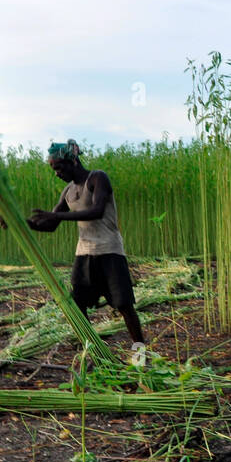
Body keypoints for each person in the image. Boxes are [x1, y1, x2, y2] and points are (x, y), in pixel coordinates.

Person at [27, 140, 145, 345]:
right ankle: (94, 348)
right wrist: (22, 223)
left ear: (73, 161)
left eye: (59, 167)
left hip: (110, 251)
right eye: (53, 169)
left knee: (124, 305)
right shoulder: (68, 192)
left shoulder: (98, 178)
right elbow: (50, 225)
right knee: (78, 304)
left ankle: (141, 352)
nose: (56, 173)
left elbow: (96, 211)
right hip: (84, 254)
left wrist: (56, 217)